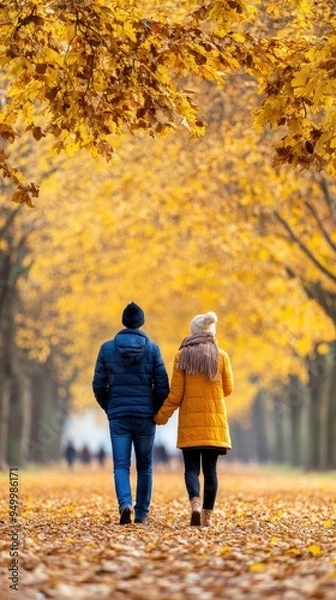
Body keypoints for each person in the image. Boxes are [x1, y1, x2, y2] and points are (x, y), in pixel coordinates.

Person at [92, 302, 169, 525]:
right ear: (141, 323)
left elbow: (98, 385)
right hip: (145, 417)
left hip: (119, 416)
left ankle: (125, 504)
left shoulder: (106, 349)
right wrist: (153, 408)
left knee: (120, 465)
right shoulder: (153, 349)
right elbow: (162, 386)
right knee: (145, 465)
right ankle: (141, 513)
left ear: (124, 322)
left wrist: (110, 407)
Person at [154, 311, 234, 527]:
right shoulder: (222, 356)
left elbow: (175, 395)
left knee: (191, 469)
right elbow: (228, 389)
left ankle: (195, 504)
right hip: (214, 426)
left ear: (193, 331)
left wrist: (160, 417)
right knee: (211, 471)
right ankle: (207, 517)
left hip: (190, 425)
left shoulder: (183, 356)